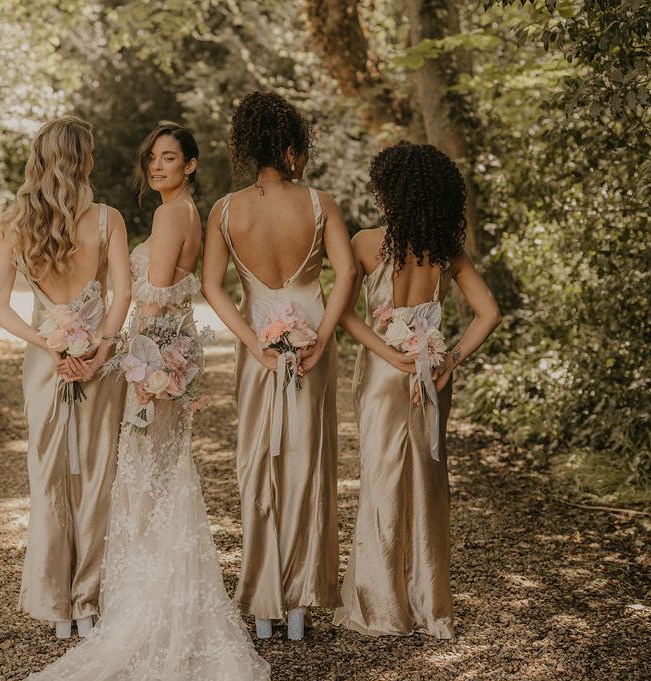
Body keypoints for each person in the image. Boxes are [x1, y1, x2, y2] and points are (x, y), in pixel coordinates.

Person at [24, 122, 270, 680]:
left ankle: (150, 607)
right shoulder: (192, 213)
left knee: (145, 482)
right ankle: (163, 595)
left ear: (191, 165)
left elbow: (154, 303)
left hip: (153, 361)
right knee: (164, 480)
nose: (156, 167)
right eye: (151, 159)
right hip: (171, 356)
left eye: (168, 158)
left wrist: (113, 356)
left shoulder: (167, 216)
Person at [202, 92, 356, 640]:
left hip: (258, 345)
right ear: (292, 147)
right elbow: (346, 274)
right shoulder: (320, 203)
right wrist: (321, 337)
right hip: (312, 330)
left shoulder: (225, 209)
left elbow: (211, 288)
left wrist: (252, 343)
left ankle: (264, 606)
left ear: (246, 146)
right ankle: (298, 605)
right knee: (307, 463)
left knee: (258, 463)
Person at [333, 141, 501, 638]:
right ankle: (430, 605)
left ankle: (383, 608)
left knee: (381, 480)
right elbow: (488, 313)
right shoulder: (446, 251)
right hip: (431, 373)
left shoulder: (365, 242)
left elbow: (341, 313)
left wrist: (387, 354)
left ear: (389, 192)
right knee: (428, 485)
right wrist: (450, 359)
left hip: (388, 374)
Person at [0, 115, 130, 639]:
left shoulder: (14, 222)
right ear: (85, 159)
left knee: (48, 476)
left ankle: (57, 607)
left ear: (39, 159)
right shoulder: (108, 219)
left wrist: (47, 340)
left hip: (45, 364)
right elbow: (123, 296)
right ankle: (88, 603)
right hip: (98, 360)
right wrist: (97, 346)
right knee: (97, 476)